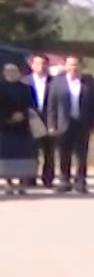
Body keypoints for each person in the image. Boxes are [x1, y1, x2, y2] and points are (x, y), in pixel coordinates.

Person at [50, 54, 94, 194]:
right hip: (63, 123)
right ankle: (64, 180)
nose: (73, 67)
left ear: (81, 66)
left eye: (76, 64)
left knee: (81, 154)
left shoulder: (89, 81)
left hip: (82, 122)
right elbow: (52, 105)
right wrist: (52, 124)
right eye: (70, 64)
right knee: (64, 153)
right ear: (65, 66)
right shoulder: (57, 82)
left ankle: (80, 181)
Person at [0, 63, 34, 195]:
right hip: (5, 127)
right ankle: (8, 182)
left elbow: (32, 106)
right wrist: (8, 118)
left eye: (14, 71)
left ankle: (22, 183)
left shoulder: (27, 89)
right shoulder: (1, 88)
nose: (11, 74)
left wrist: (23, 114)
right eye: (8, 71)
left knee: (24, 156)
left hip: (23, 127)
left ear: (19, 73)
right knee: (6, 157)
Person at [26, 54, 54, 188]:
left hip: (49, 119)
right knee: (31, 151)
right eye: (37, 64)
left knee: (49, 151)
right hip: (31, 120)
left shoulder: (54, 82)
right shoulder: (25, 81)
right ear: (31, 65)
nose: (41, 67)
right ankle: (30, 178)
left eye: (43, 64)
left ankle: (48, 178)